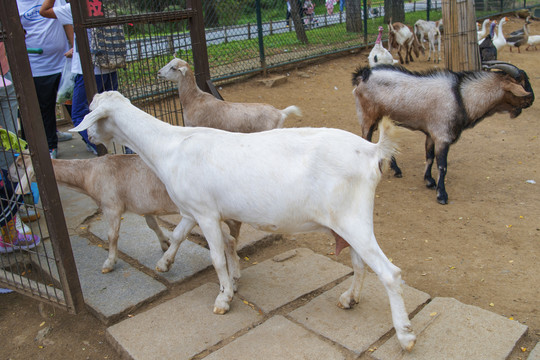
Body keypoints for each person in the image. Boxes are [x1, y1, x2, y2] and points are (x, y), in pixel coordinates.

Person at [40, 0, 121, 156]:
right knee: (110, 111)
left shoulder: (75, 8)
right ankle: (124, 148)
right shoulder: (101, 5)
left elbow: (44, 10)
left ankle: (103, 150)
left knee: (78, 114)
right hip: (109, 67)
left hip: (89, 71)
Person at [17, 0, 72, 159]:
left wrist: (74, 46)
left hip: (63, 62)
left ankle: (90, 140)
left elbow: (66, 19)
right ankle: (50, 146)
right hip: (37, 66)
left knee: (72, 104)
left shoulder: (52, 1)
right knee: (44, 107)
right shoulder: (14, 4)